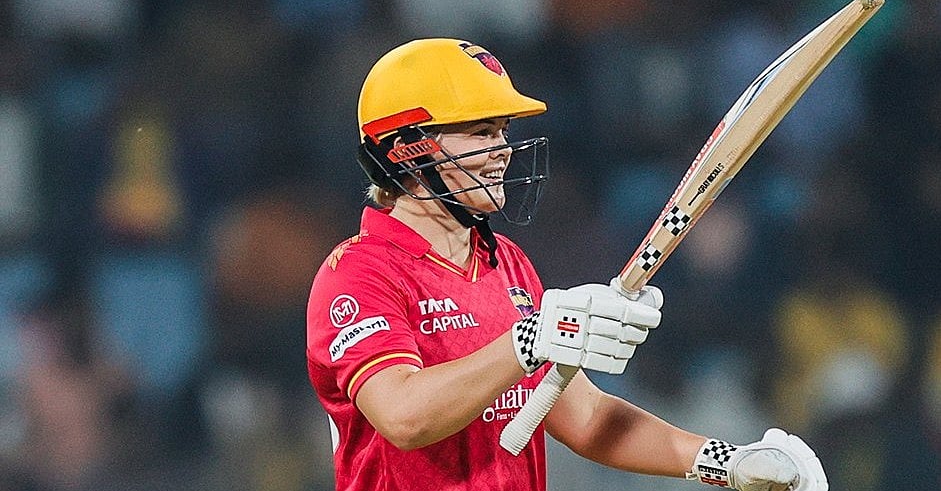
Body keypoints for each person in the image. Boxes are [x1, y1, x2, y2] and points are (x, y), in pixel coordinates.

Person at [306, 38, 828, 491]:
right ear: (405, 150)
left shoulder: (504, 263)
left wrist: (728, 462)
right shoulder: (357, 273)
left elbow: (587, 417)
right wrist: (530, 341)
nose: (503, 151)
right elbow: (404, 416)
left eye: (502, 132)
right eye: (481, 132)